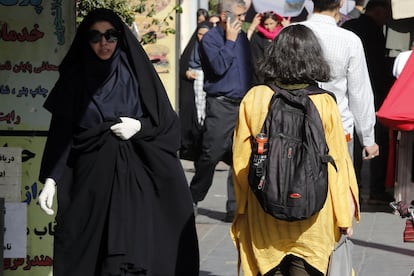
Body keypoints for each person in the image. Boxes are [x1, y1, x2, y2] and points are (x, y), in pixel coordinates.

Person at [37, 8, 199, 275]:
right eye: (96, 36)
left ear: (121, 38)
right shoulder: (75, 78)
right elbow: (61, 132)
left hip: (134, 180)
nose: (104, 43)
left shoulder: (136, 74)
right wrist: (51, 180)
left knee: (130, 255)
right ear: (85, 40)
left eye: (111, 36)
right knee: (89, 255)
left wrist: (139, 126)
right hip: (89, 182)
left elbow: (167, 125)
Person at [231, 24, 360, 276]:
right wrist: (344, 217)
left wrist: (243, 209)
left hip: (264, 213)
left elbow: (240, 161)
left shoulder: (254, 98)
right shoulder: (324, 102)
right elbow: (337, 164)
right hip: (314, 216)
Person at [190, 0, 253, 222]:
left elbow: (247, 69)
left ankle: (234, 208)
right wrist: (230, 41)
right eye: (240, 15)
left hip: (242, 104)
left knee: (241, 157)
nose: (243, 19)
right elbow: (217, 67)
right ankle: (192, 197)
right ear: (226, 16)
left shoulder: (243, 38)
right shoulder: (210, 38)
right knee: (211, 154)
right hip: (221, 104)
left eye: (245, 14)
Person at [299, 0, 379, 162]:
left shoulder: (288, 32)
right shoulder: (350, 40)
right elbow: (359, 94)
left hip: (293, 128)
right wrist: (368, 139)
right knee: (338, 184)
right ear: (341, 3)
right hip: (337, 129)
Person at [342, 0, 394, 203]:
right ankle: (376, 190)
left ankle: (352, 186)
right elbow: (379, 67)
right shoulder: (373, 32)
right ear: (379, 12)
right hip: (373, 94)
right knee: (377, 143)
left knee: (351, 144)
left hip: (346, 95)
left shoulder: (348, 27)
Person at [249, 11, 290, 84]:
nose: (269, 27)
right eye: (266, 24)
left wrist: (288, 28)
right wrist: (252, 26)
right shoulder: (257, 37)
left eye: (271, 23)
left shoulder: (283, 35)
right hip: (261, 78)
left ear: (277, 22)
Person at [185, 21, 214, 127]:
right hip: (195, 75)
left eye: (205, 34)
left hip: (208, 78)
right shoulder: (193, 46)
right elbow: (184, 62)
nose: (202, 37)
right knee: (197, 102)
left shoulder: (213, 48)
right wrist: (186, 72)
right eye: (199, 34)